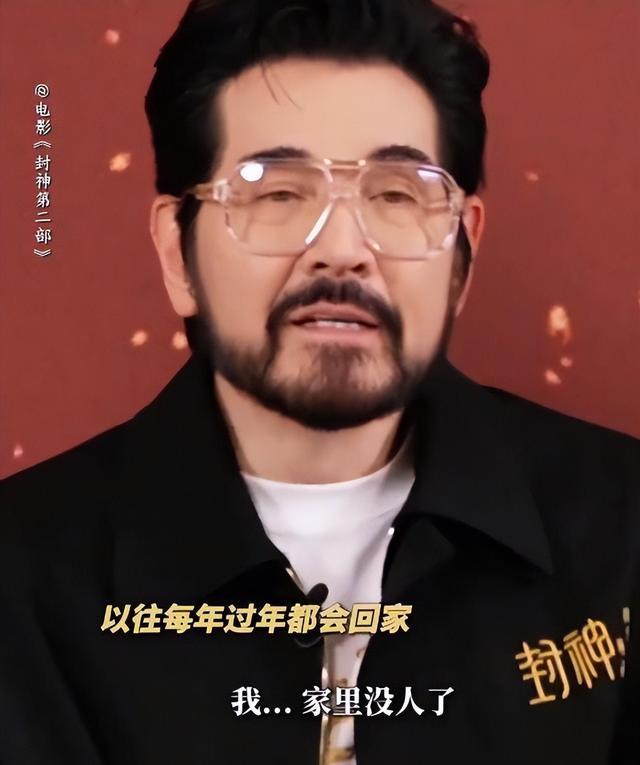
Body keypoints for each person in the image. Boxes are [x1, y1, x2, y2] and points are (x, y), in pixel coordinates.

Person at [0, 1, 638, 763]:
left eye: (396, 194)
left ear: (462, 253)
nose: (341, 248)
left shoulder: (622, 524)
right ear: (177, 252)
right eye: (276, 192)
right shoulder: (23, 575)